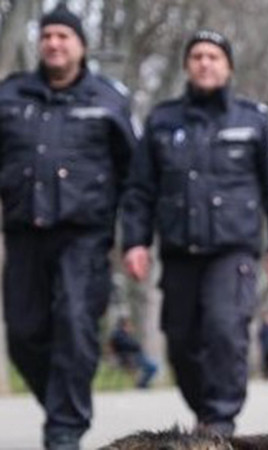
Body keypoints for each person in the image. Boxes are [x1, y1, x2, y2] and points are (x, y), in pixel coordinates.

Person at [121, 29, 268, 436]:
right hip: (179, 250)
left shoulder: (253, 120)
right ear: (187, 65)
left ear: (228, 67)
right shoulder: (162, 120)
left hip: (231, 251)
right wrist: (134, 240)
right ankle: (204, 410)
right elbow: (139, 190)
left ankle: (219, 422)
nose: (205, 62)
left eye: (213, 57)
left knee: (224, 330)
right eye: (197, 56)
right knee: (180, 341)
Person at [0, 4, 137, 449]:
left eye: (64, 36)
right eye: (47, 36)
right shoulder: (10, 94)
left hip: (85, 235)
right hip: (23, 231)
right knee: (22, 334)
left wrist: (134, 237)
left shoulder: (109, 99)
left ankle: (64, 429)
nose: (54, 43)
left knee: (76, 323)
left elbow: (135, 174)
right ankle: (63, 403)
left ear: (81, 45)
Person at [109, 316, 159, 388]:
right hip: (130, 358)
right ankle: (141, 384)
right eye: (128, 325)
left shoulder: (122, 335)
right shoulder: (119, 335)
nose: (130, 327)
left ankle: (142, 384)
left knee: (152, 366)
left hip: (133, 356)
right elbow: (133, 345)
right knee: (153, 367)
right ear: (124, 325)